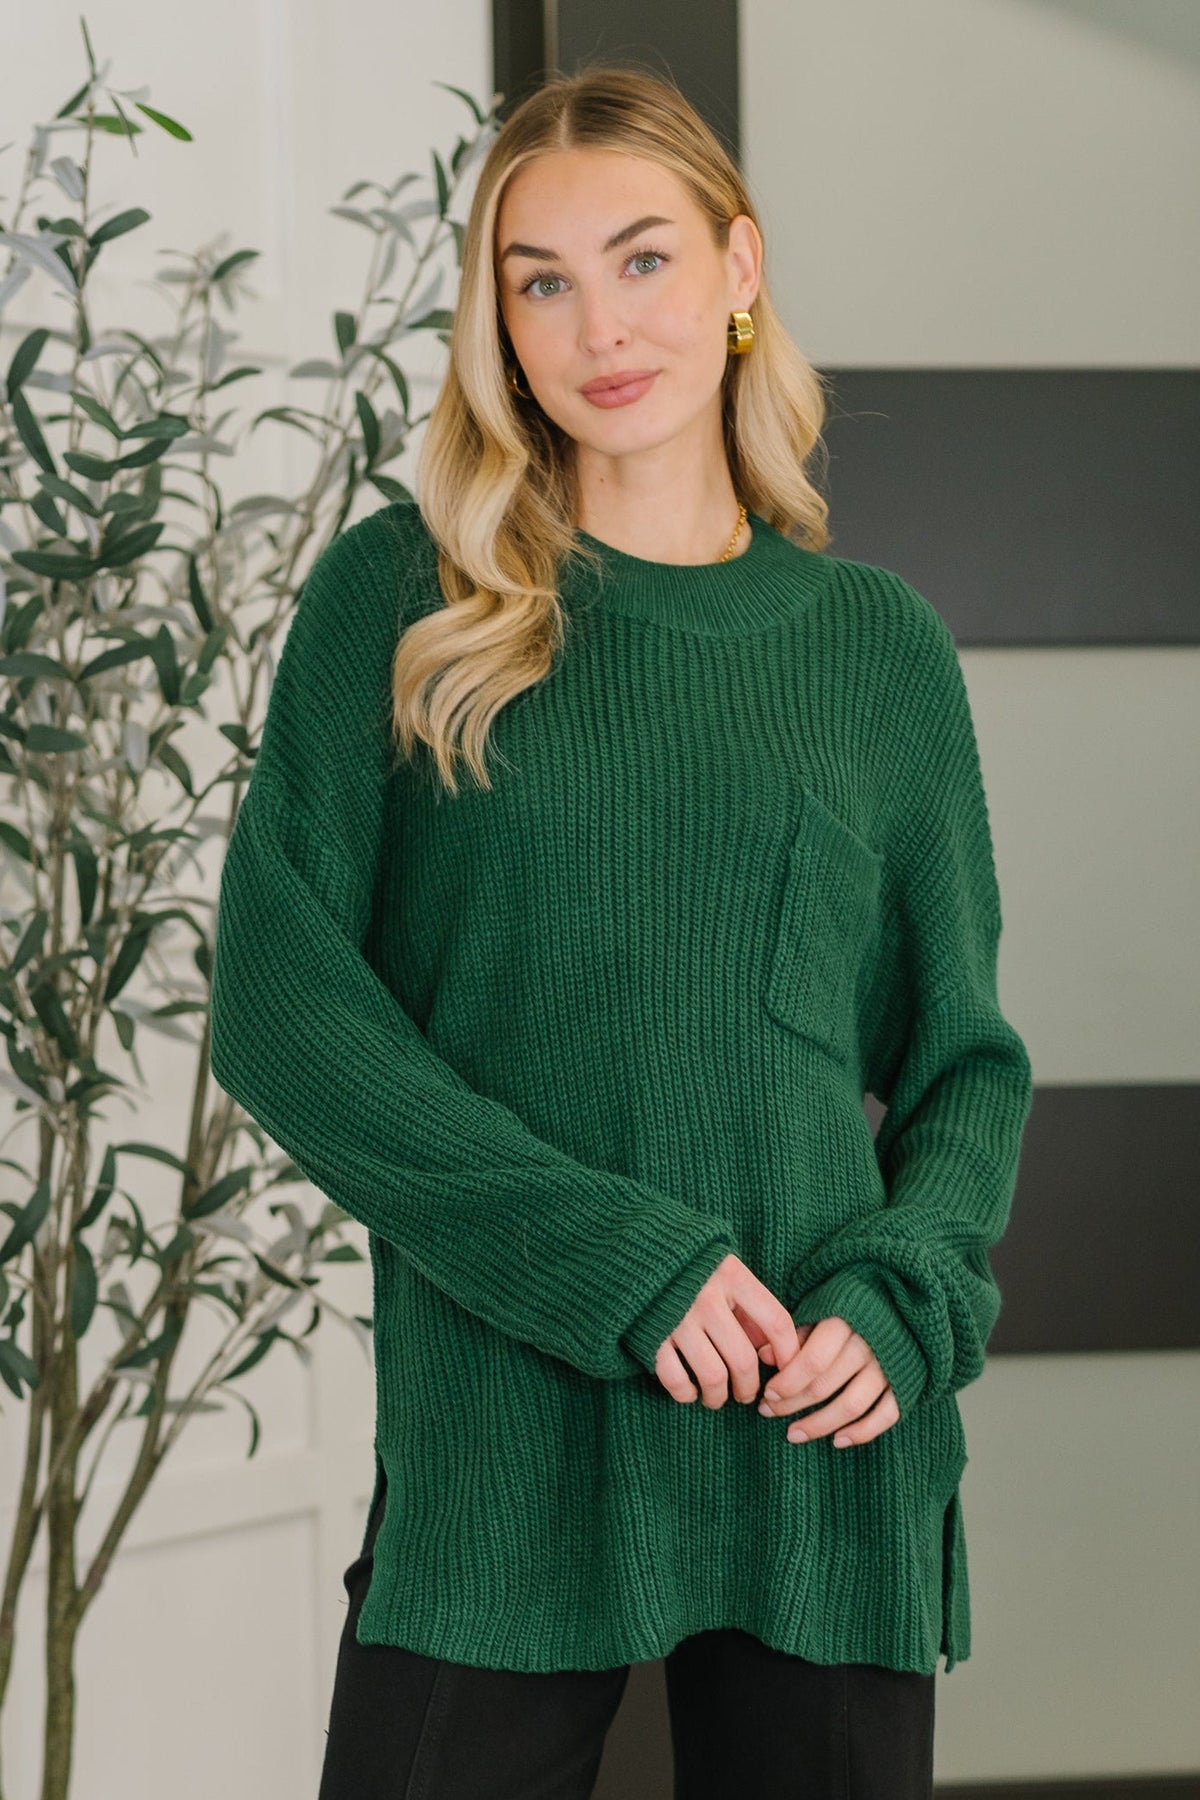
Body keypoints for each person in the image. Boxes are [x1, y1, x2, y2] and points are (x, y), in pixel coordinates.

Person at [208, 62, 1034, 1800]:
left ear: (740, 270)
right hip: (508, 1436)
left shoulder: (878, 650)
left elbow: (961, 1063)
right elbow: (285, 1007)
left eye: (644, 259)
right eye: (542, 279)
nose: (600, 326)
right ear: (497, 320)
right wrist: (614, 1262)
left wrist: (908, 1298)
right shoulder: (405, 600)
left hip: (821, 1432)